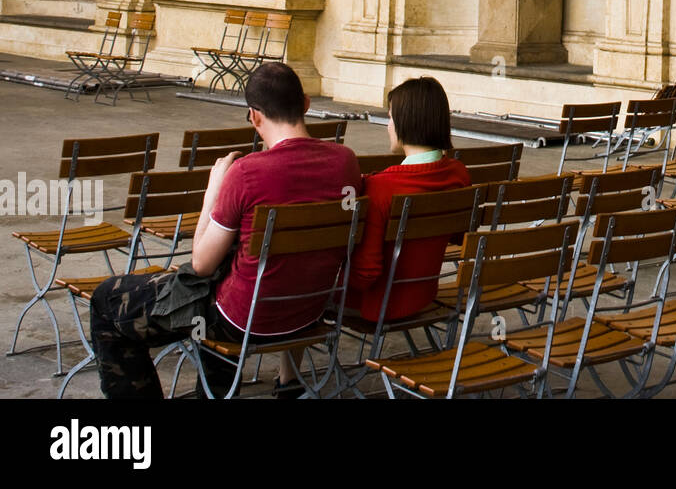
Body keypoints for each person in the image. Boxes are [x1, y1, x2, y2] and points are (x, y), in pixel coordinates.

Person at [89, 62, 362, 399]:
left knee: (106, 300)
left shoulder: (246, 173)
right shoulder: (345, 161)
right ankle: (215, 388)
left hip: (243, 320)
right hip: (307, 311)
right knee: (227, 277)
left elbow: (200, 264)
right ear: (305, 104)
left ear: (254, 116)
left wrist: (212, 192)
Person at [345, 77, 472, 323]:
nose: (388, 126)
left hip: (379, 306)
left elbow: (365, 274)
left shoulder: (380, 188)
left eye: (391, 117)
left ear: (405, 122)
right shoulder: (459, 173)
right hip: (425, 294)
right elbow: (458, 236)